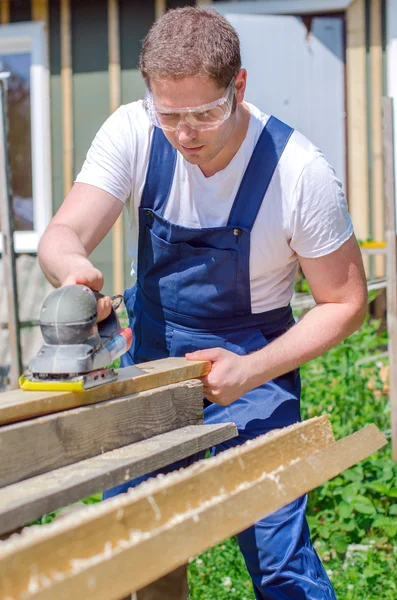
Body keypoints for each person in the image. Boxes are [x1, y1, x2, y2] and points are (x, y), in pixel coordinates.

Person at [38, 6, 367, 599]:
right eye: (170, 115)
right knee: (139, 556)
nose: (185, 134)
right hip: (153, 369)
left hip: (255, 371)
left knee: (281, 563)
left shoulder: (299, 173)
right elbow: (61, 236)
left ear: (238, 86)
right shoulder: (133, 130)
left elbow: (345, 302)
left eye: (204, 113)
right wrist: (76, 272)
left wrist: (252, 370)